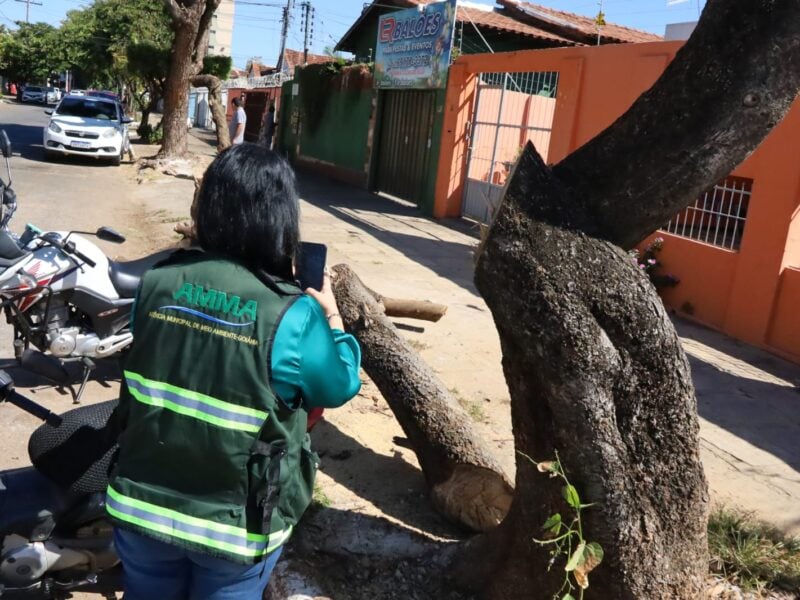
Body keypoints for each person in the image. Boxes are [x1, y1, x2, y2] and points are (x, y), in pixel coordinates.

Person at [107, 143, 361, 600]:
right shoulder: (292, 313)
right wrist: (333, 319)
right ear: (280, 216)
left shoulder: (157, 282)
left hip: (141, 506)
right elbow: (340, 385)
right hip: (235, 530)